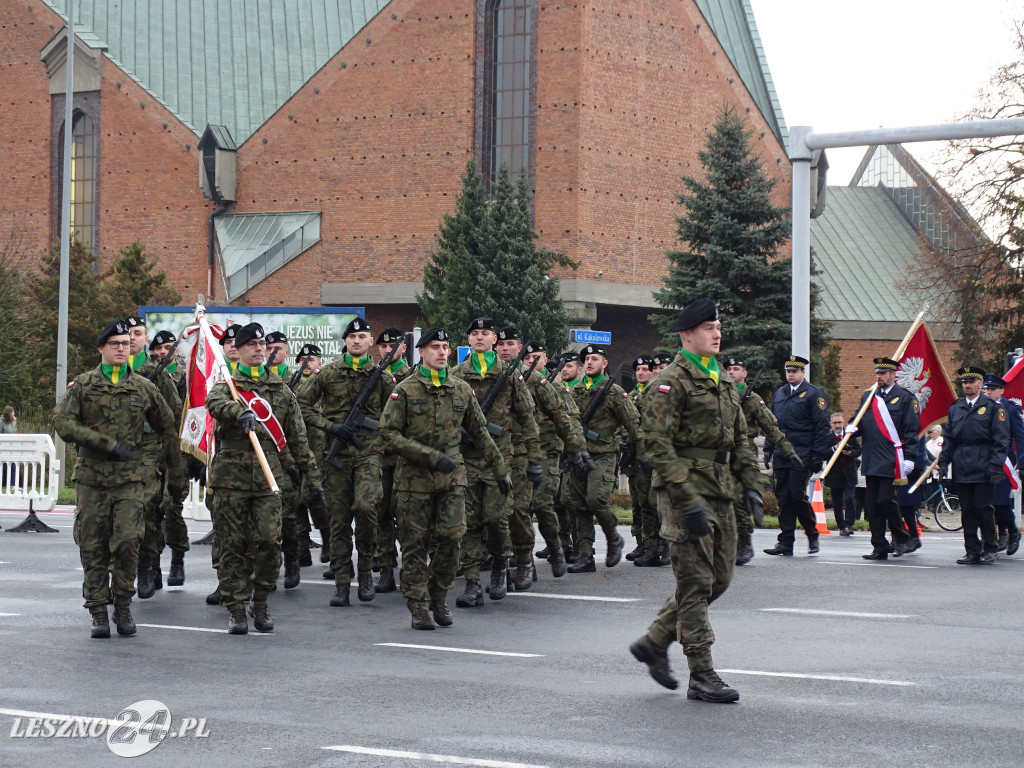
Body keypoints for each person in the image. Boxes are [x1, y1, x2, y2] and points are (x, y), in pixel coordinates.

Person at [629, 299, 763, 703]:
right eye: (708, 327)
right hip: (682, 491)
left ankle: (655, 640)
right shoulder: (671, 381)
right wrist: (685, 498)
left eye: (718, 326)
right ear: (687, 335)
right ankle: (701, 674)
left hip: (719, 489)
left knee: (719, 579)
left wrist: (751, 482)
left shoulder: (720, 378)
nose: (717, 333)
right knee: (695, 583)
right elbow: (657, 444)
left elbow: (738, 436)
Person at [53, 319, 185, 638]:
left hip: (129, 480)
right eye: (115, 344)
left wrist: (177, 472)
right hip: (91, 481)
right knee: (93, 546)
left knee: (128, 542)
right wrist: (107, 444)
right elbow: (63, 423)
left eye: (126, 344)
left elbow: (168, 427)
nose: (122, 349)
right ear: (101, 348)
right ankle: (98, 610)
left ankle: (123, 604)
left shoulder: (144, 387)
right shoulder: (83, 386)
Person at [380, 328, 509, 629]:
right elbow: (387, 434)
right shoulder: (407, 390)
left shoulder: (461, 389)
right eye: (434, 347)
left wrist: (500, 469)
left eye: (445, 347)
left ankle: (438, 596)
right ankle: (418, 606)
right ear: (422, 352)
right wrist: (428, 456)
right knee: (415, 544)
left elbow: (480, 432)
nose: (441, 352)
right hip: (415, 480)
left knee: (452, 538)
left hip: (452, 477)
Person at [206, 322, 323, 633]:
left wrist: (313, 478)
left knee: (269, 542)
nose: (259, 349)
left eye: (262, 344)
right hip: (230, 480)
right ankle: (236, 608)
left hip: (269, 480)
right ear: (240, 350)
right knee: (232, 545)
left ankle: (260, 600)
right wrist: (237, 411)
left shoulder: (282, 391)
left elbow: (297, 438)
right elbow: (214, 403)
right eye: (252, 344)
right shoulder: (227, 385)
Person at [298, 317, 391, 606]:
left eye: (362, 336)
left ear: (370, 341)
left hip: (368, 455)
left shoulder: (382, 377)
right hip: (336, 457)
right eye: (352, 337)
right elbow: (301, 405)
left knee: (366, 510)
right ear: (345, 341)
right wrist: (329, 426)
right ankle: (341, 582)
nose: (356, 341)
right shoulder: (327, 374)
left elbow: (395, 417)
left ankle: (364, 572)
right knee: (338, 521)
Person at [451, 317, 539, 605]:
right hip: (467, 458)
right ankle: (473, 582)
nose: (479, 337)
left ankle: (501, 567)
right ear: (468, 341)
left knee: (497, 518)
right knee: (469, 523)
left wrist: (533, 458)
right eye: (474, 333)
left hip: (500, 458)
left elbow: (527, 416)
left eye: (485, 333)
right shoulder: (457, 374)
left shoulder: (511, 374)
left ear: (494, 340)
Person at [563, 342, 642, 573]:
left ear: (604, 364)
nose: (589, 362)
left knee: (595, 500)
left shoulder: (614, 392)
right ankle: (585, 556)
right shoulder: (575, 390)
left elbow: (633, 423)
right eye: (586, 360)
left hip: (603, 455)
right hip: (579, 455)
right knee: (578, 505)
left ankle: (613, 536)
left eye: (594, 359)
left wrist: (642, 453)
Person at [522, 339, 591, 578]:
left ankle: (560, 546)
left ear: (545, 359)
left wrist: (576, 449)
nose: (532, 362)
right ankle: (525, 557)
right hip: (522, 453)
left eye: (536, 358)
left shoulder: (555, 387)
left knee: (549, 503)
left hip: (550, 452)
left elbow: (570, 417)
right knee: (522, 507)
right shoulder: (519, 383)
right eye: (528, 359)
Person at [724, 357, 799, 564]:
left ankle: (744, 543)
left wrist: (788, 450)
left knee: (738, 500)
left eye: (736, 368)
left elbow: (771, 427)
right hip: (720, 453)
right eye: (728, 369)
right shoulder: (721, 395)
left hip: (742, 451)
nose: (731, 372)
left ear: (744, 374)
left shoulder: (752, 399)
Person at [847, 358, 922, 559]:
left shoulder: (906, 398)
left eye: (883, 373)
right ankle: (879, 546)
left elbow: (912, 430)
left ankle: (902, 536)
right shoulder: (869, 396)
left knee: (885, 500)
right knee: (872, 506)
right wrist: (851, 429)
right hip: (871, 457)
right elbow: (859, 421)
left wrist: (910, 458)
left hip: (892, 459)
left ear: (893, 375)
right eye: (877, 373)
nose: (879, 377)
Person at [134, 327, 191, 593]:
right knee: (150, 508)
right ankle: (152, 564)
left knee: (171, 506)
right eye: (158, 349)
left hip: (172, 449)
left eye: (166, 348)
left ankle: (177, 558)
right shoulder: (143, 373)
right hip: (145, 450)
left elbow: (184, 414)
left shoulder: (185, 376)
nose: (161, 353)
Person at [938, 367, 1010, 565]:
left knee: (982, 507)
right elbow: (950, 439)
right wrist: (944, 462)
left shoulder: (994, 408)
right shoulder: (956, 408)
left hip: (984, 465)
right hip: (962, 465)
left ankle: (990, 547)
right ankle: (971, 550)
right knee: (967, 510)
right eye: (964, 382)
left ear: (980, 384)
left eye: (971, 382)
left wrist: (996, 466)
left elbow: (1001, 440)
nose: (967, 385)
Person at [764, 355, 830, 557]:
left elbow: (821, 427)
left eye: (794, 371)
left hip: (802, 453)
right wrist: (768, 448)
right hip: (782, 453)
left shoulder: (813, 394)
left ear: (803, 373)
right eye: (788, 371)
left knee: (796, 495)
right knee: (783, 498)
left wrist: (818, 455)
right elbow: (772, 424)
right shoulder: (780, 393)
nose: (790, 374)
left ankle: (812, 532)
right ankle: (785, 542)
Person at [374, 327, 410, 592]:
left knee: (408, 514)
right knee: (381, 512)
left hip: (406, 456)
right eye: (383, 346)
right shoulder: (372, 376)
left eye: (392, 346)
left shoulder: (413, 376)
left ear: (403, 348)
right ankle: (386, 568)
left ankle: (412, 568)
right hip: (379, 455)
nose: (388, 350)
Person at [626, 354, 664, 567]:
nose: (640, 373)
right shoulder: (632, 395)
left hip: (655, 456)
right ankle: (647, 544)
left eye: (645, 370)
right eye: (638, 370)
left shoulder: (660, 392)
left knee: (655, 502)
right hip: (638, 456)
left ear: (653, 372)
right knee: (641, 502)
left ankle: (662, 545)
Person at [982, 374, 1024, 555]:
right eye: (987, 389)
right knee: (984, 502)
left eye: (992, 389)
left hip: (1003, 461)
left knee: (999, 502)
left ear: (1002, 390)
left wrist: (1022, 464)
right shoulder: (981, 407)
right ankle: (994, 537)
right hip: (982, 460)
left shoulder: (1010, 409)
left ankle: (1012, 531)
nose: (989, 392)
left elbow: (1020, 438)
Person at [825, 411, 861, 536]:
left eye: (839, 422)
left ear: (844, 423)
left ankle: (849, 524)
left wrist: (850, 453)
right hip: (834, 474)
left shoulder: (850, 435)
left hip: (849, 473)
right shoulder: (828, 438)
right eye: (835, 423)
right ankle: (841, 526)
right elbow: (823, 453)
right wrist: (834, 448)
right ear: (831, 424)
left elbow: (858, 450)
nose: (838, 425)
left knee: (850, 498)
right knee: (837, 502)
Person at [1, 406, 17, 489]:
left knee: (13, 465)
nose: (14, 414)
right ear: (9, 413)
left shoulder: (12, 422)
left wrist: (15, 422)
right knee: (3, 466)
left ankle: (12, 484)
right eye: (13, 412)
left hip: (12, 446)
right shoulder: (1, 422)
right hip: (3, 447)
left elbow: (14, 433)